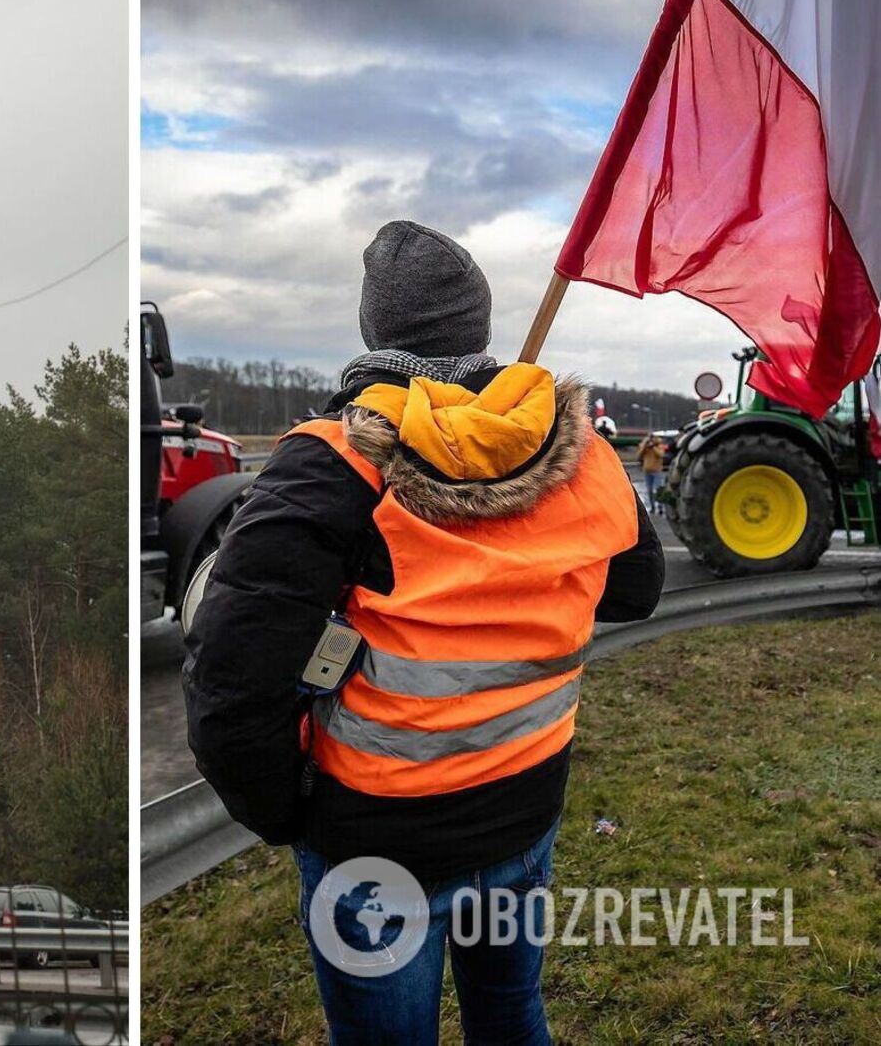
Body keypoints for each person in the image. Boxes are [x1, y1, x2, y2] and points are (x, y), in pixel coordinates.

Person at [184, 220, 665, 1045]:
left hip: (374, 850)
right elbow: (633, 588)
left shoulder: (330, 464)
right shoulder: (576, 449)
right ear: (477, 327)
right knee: (511, 1015)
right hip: (525, 812)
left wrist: (292, 814)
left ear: (377, 331)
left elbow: (234, 681)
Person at [637, 432, 666, 508]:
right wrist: (645, 446)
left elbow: (661, 454)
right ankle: (652, 506)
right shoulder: (645, 446)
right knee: (649, 490)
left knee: (658, 489)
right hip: (647, 471)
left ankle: (660, 507)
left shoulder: (659, 446)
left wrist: (653, 447)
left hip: (656, 471)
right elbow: (639, 455)